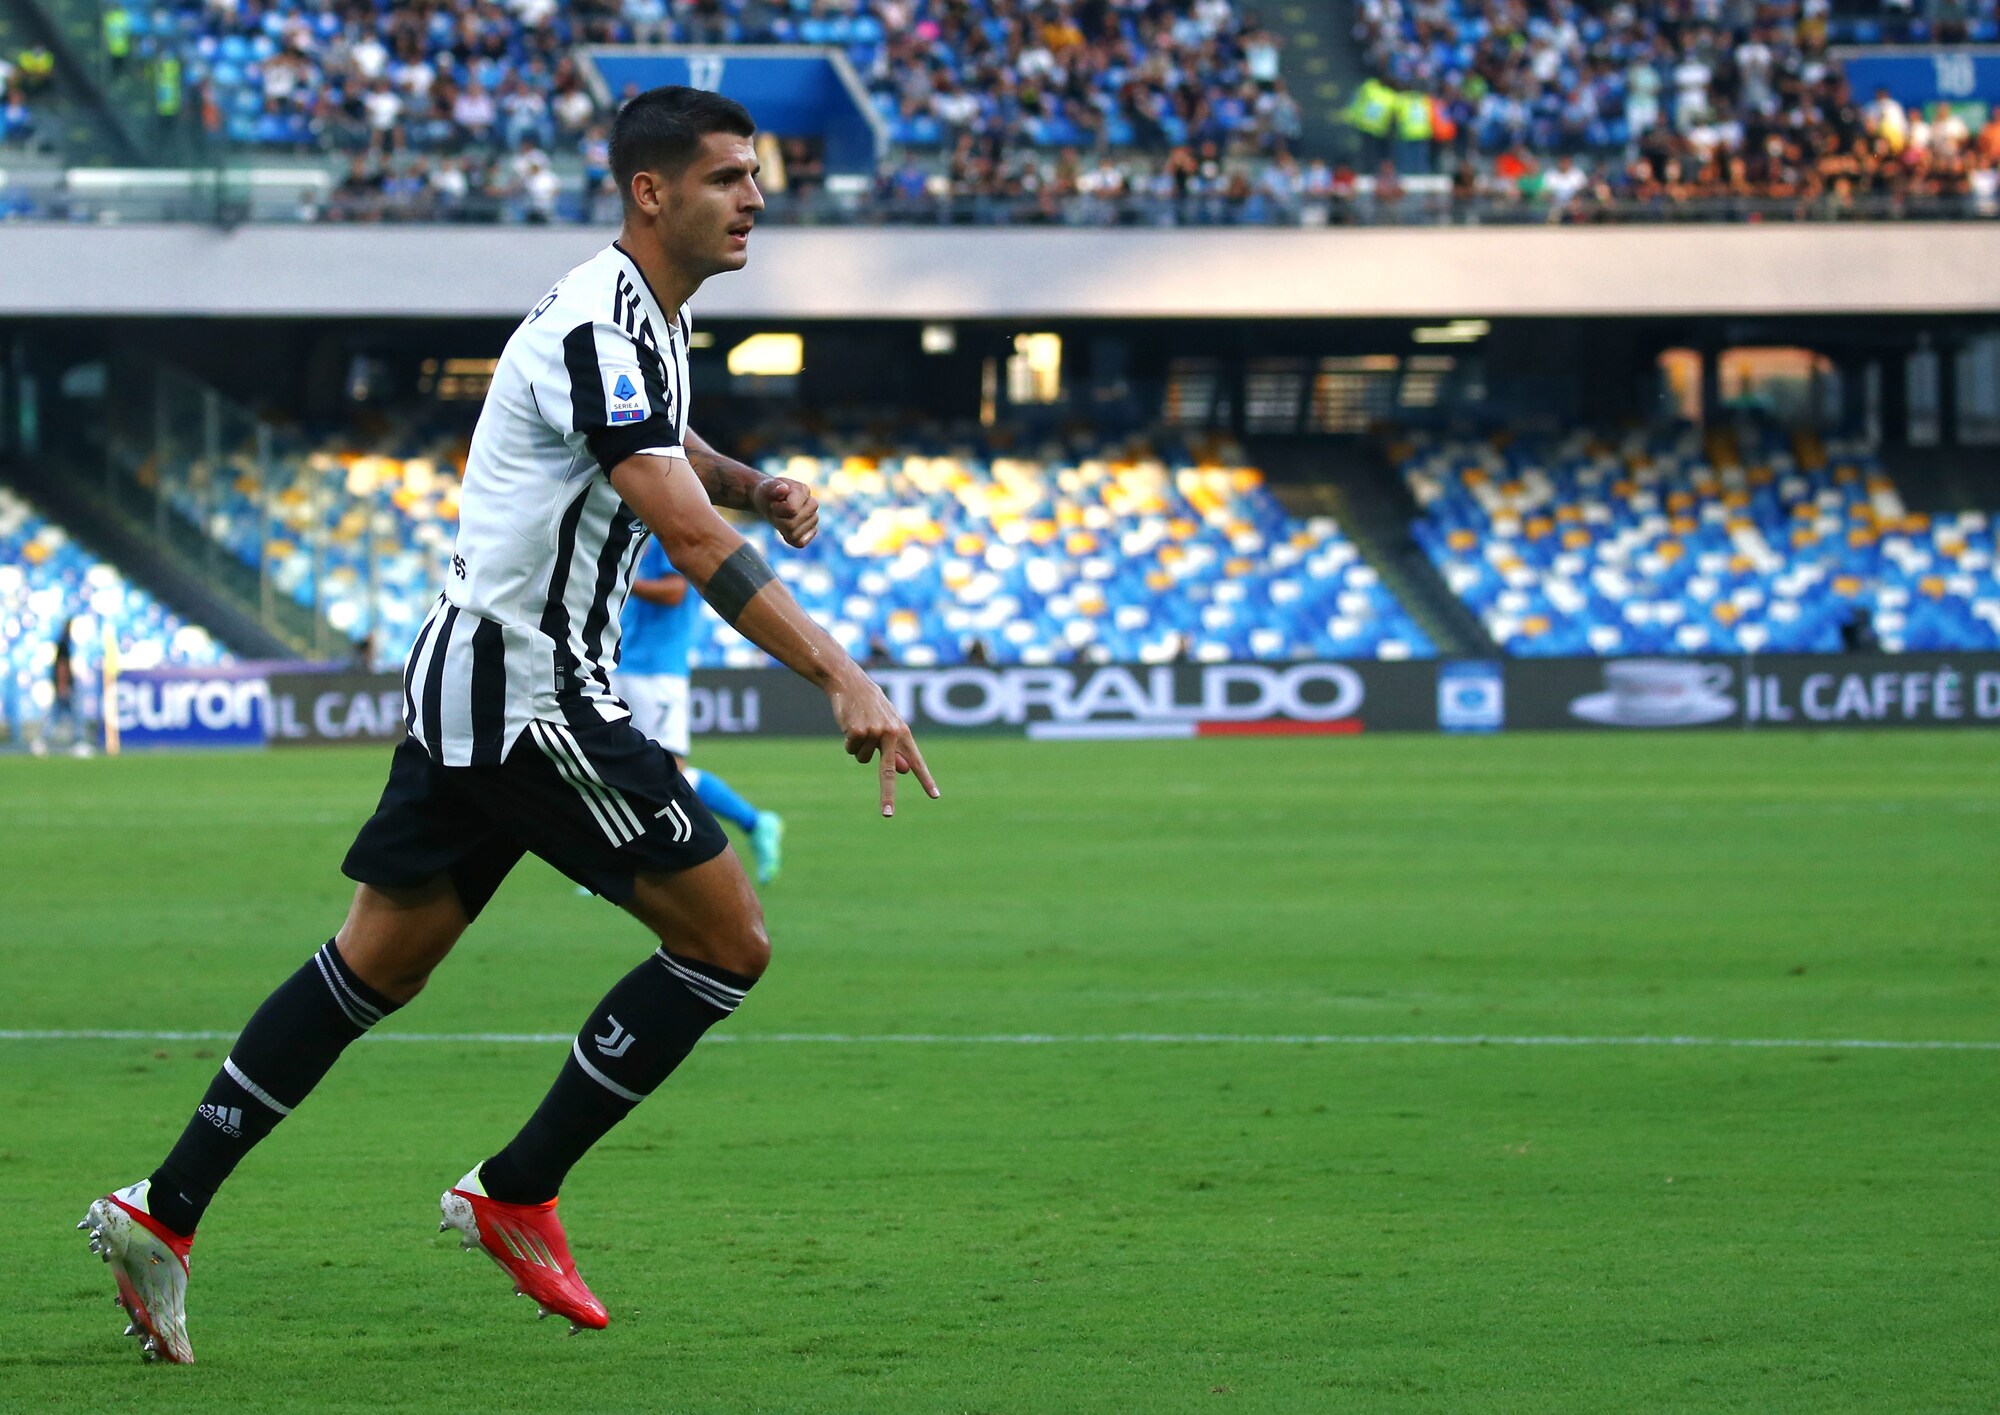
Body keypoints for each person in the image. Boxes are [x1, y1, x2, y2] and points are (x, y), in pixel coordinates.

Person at [79, 85, 938, 1366]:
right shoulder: (603, 322)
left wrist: (748, 479)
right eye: (726, 177)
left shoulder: (638, 316)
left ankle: (164, 1205)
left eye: (755, 175)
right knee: (725, 941)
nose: (754, 198)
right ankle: (517, 1188)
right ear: (650, 191)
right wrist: (839, 673)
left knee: (377, 962)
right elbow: (685, 535)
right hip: (534, 691)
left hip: (473, 679)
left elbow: (664, 446)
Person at [612, 538, 785, 884]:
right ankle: (621, 863)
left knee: (669, 772)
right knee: (618, 765)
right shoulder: (630, 532)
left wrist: (621, 581)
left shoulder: (663, 534)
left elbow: (675, 592)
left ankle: (754, 822)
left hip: (658, 670)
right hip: (622, 662)